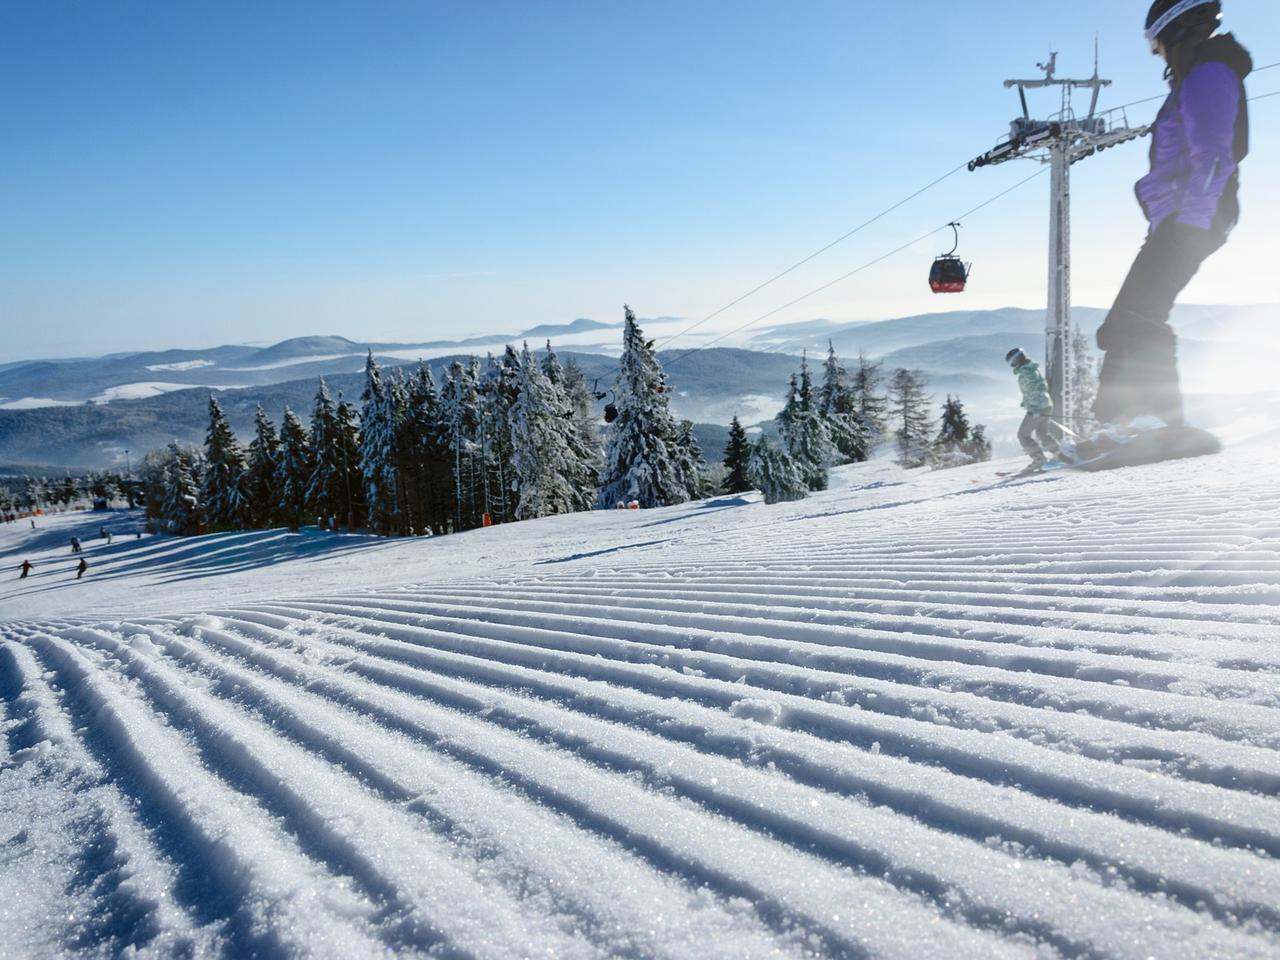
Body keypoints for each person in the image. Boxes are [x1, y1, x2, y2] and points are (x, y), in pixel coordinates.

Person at [1093, 0, 1251, 430]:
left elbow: (1216, 158)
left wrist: (1189, 223)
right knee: (1125, 322)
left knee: (1137, 317)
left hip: (1194, 218)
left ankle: (1158, 424)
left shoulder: (1208, 77)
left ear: (1178, 31)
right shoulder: (1197, 78)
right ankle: (1117, 424)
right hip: (1181, 220)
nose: (1156, 53)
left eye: (1156, 42)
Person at [1007, 348, 1058, 468]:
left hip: (1037, 408)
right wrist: (1026, 402)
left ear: (1017, 359)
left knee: (1023, 435)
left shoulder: (1026, 372)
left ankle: (1039, 459)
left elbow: (1035, 390)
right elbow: (1039, 388)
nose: (1012, 365)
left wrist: (1034, 409)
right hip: (1045, 405)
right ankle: (1059, 454)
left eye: (1012, 362)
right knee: (1042, 433)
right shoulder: (1031, 368)